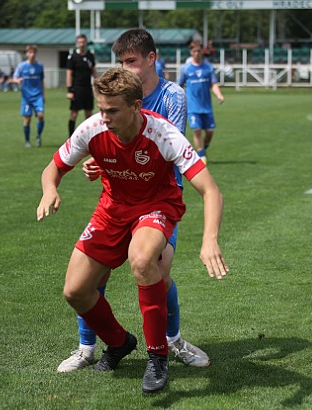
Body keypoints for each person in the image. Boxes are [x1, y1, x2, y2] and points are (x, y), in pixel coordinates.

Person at [37, 66, 229, 393]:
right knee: (75, 291)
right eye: (101, 109)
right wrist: (49, 189)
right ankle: (119, 342)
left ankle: (158, 356)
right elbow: (52, 168)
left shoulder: (164, 134)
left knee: (142, 261)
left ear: (137, 107)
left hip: (156, 206)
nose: (104, 117)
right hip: (112, 209)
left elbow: (211, 190)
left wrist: (209, 239)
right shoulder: (92, 129)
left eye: (113, 110)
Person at [57, 27, 211, 373]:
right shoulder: (113, 100)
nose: (125, 68)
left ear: (151, 59)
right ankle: (87, 347)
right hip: (120, 195)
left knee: (157, 269)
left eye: (131, 61)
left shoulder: (172, 96)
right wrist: (96, 160)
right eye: (120, 61)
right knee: (93, 277)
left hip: (158, 197)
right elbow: (103, 139)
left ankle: (171, 342)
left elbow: (165, 148)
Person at [178, 40, 224, 164]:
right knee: (197, 130)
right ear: (191, 52)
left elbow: (213, 84)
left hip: (206, 106)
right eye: (194, 51)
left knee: (209, 132)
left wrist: (219, 95)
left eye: (199, 51)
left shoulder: (208, 67)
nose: (197, 53)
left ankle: (202, 148)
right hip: (192, 106)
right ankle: (202, 156)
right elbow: (179, 85)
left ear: (202, 51)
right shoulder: (186, 69)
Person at [13, 44, 45, 148]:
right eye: (30, 52)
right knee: (27, 119)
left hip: (38, 96)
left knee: (40, 116)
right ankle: (27, 141)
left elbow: (41, 81)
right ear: (27, 54)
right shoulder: (22, 66)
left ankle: (38, 136)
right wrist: (17, 80)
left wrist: (43, 95)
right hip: (26, 97)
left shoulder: (40, 66)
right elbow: (14, 78)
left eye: (34, 52)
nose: (32, 54)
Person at [66, 34, 97, 138]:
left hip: (87, 88)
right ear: (77, 43)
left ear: (86, 42)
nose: (81, 44)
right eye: (79, 42)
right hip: (77, 88)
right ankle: (71, 137)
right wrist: (70, 90)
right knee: (74, 114)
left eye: (83, 42)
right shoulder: (73, 57)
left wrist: (98, 84)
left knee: (89, 114)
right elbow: (69, 74)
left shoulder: (90, 56)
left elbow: (93, 71)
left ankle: (89, 136)